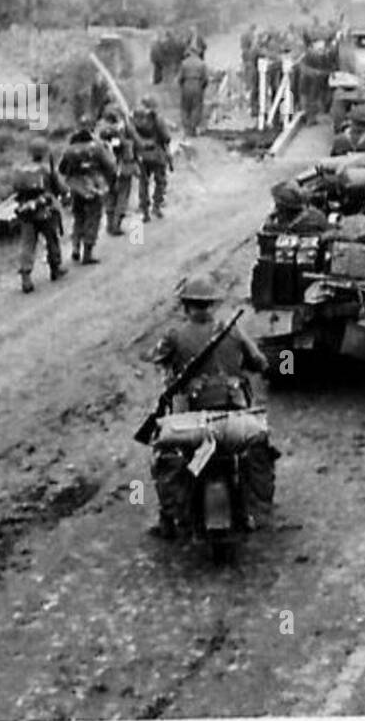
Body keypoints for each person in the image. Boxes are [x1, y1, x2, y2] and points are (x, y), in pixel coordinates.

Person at [146, 277, 272, 539]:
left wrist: (173, 374)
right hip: (232, 411)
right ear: (212, 304)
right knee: (252, 451)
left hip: (193, 416)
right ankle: (251, 511)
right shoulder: (231, 329)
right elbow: (259, 362)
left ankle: (168, 518)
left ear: (186, 305)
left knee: (165, 456)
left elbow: (156, 358)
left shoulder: (174, 335)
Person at [58, 114, 116, 265]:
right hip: (94, 186)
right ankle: (87, 252)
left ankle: (75, 247)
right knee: (93, 217)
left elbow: (62, 169)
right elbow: (109, 166)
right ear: (91, 129)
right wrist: (109, 182)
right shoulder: (97, 147)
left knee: (78, 217)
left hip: (75, 187)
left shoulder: (69, 149)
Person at [12, 137, 67, 293]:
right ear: (44, 153)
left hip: (26, 212)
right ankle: (55, 268)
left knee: (27, 243)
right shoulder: (47, 169)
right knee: (52, 238)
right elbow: (61, 188)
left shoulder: (20, 170)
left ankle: (26, 276)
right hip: (45, 210)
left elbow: (15, 189)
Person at [97, 108, 140, 236]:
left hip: (106, 170)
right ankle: (116, 225)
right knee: (122, 196)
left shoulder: (99, 132)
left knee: (111, 196)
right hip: (122, 167)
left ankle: (110, 225)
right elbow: (125, 146)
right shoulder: (119, 131)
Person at [132, 95, 172, 222]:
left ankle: (144, 210)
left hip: (141, 155)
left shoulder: (135, 118)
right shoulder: (157, 118)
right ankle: (156, 206)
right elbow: (166, 137)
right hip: (157, 154)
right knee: (160, 181)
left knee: (143, 182)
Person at [177, 49, 209, 138]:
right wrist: (202, 88)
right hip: (197, 84)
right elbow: (205, 79)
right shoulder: (202, 63)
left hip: (186, 84)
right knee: (196, 107)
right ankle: (193, 127)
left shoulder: (184, 63)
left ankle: (186, 128)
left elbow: (179, 78)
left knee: (185, 108)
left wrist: (182, 87)